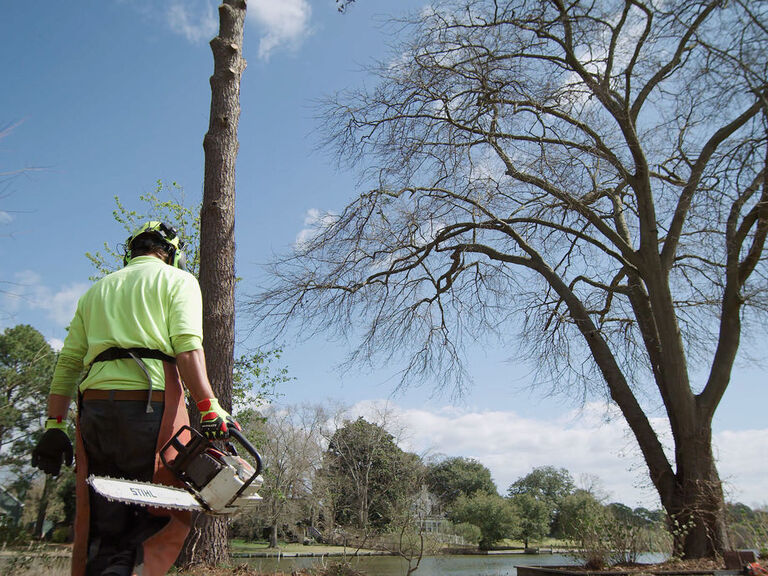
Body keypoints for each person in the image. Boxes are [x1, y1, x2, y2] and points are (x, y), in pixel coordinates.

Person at [32, 221, 241, 576]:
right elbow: (188, 348)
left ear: (130, 252)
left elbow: (68, 363)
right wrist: (209, 407)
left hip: (95, 410)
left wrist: (53, 425)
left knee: (102, 517)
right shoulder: (179, 281)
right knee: (166, 510)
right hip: (151, 407)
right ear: (172, 253)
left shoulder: (97, 290)